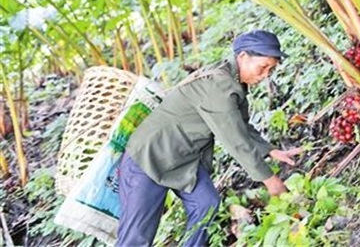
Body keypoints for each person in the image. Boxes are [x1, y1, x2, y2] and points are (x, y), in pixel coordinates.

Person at [116, 30, 302, 246]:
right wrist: (271, 180)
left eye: (271, 69)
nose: (265, 76)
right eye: (263, 67)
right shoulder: (218, 86)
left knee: (205, 204)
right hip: (149, 158)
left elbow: (239, 125)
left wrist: (269, 149)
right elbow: (235, 140)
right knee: (136, 239)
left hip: (183, 160)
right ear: (242, 57)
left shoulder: (232, 80)